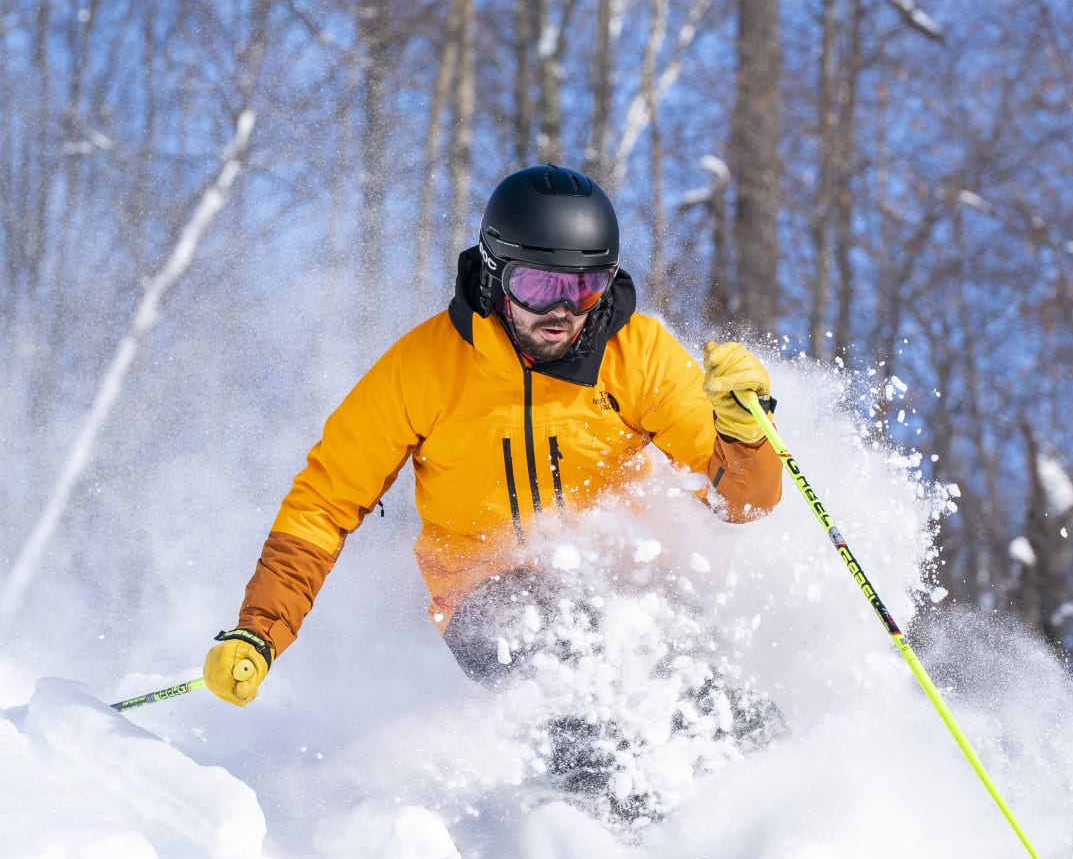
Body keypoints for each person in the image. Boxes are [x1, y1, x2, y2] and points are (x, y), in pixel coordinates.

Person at [203, 164, 782, 711]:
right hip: (487, 590)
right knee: (567, 665)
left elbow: (741, 504)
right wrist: (260, 632)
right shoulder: (424, 369)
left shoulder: (638, 354)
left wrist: (743, 435)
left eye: (584, 288)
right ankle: (593, 807)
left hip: (624, 579)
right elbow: (323, 504)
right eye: (538, 284)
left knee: (707, 694)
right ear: (495, 273)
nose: (562, 311)